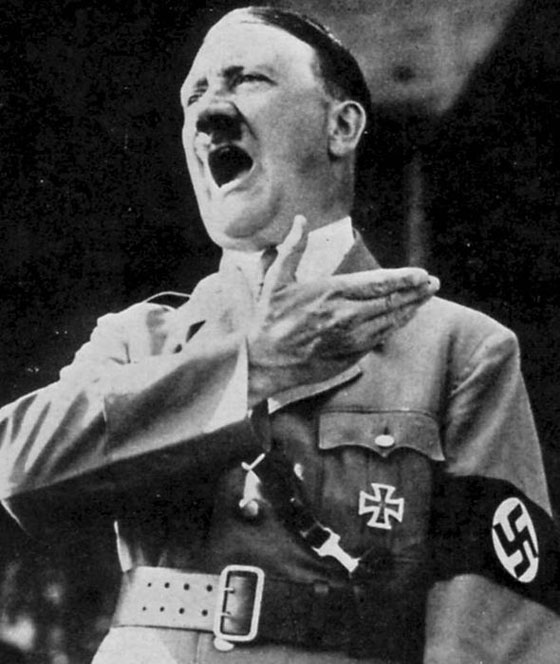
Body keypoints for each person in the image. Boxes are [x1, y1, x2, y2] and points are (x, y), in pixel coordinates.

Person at [1, 6, 560, 663]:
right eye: (195, 95)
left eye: (249, 80)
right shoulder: (140, 339)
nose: (211, 112)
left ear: (341, 127)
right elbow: (19, 470)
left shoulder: (458, 350)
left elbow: (494, 626)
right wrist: (251, 364)